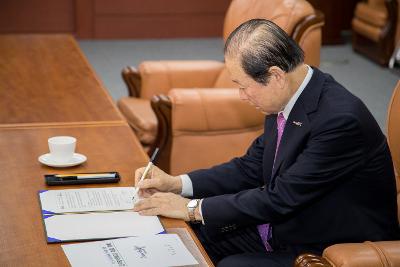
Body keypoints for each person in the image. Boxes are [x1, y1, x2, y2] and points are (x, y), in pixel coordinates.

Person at [133, 19, 400, 267]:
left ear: (275, 76)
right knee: (181, 237)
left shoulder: (341, 121)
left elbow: (282, 197)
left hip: (326, 244)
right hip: (279, 224)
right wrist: (176, 183)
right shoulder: (290, 96)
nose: (241, 96)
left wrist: (192, 208)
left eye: (243, 86)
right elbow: (250, 167)